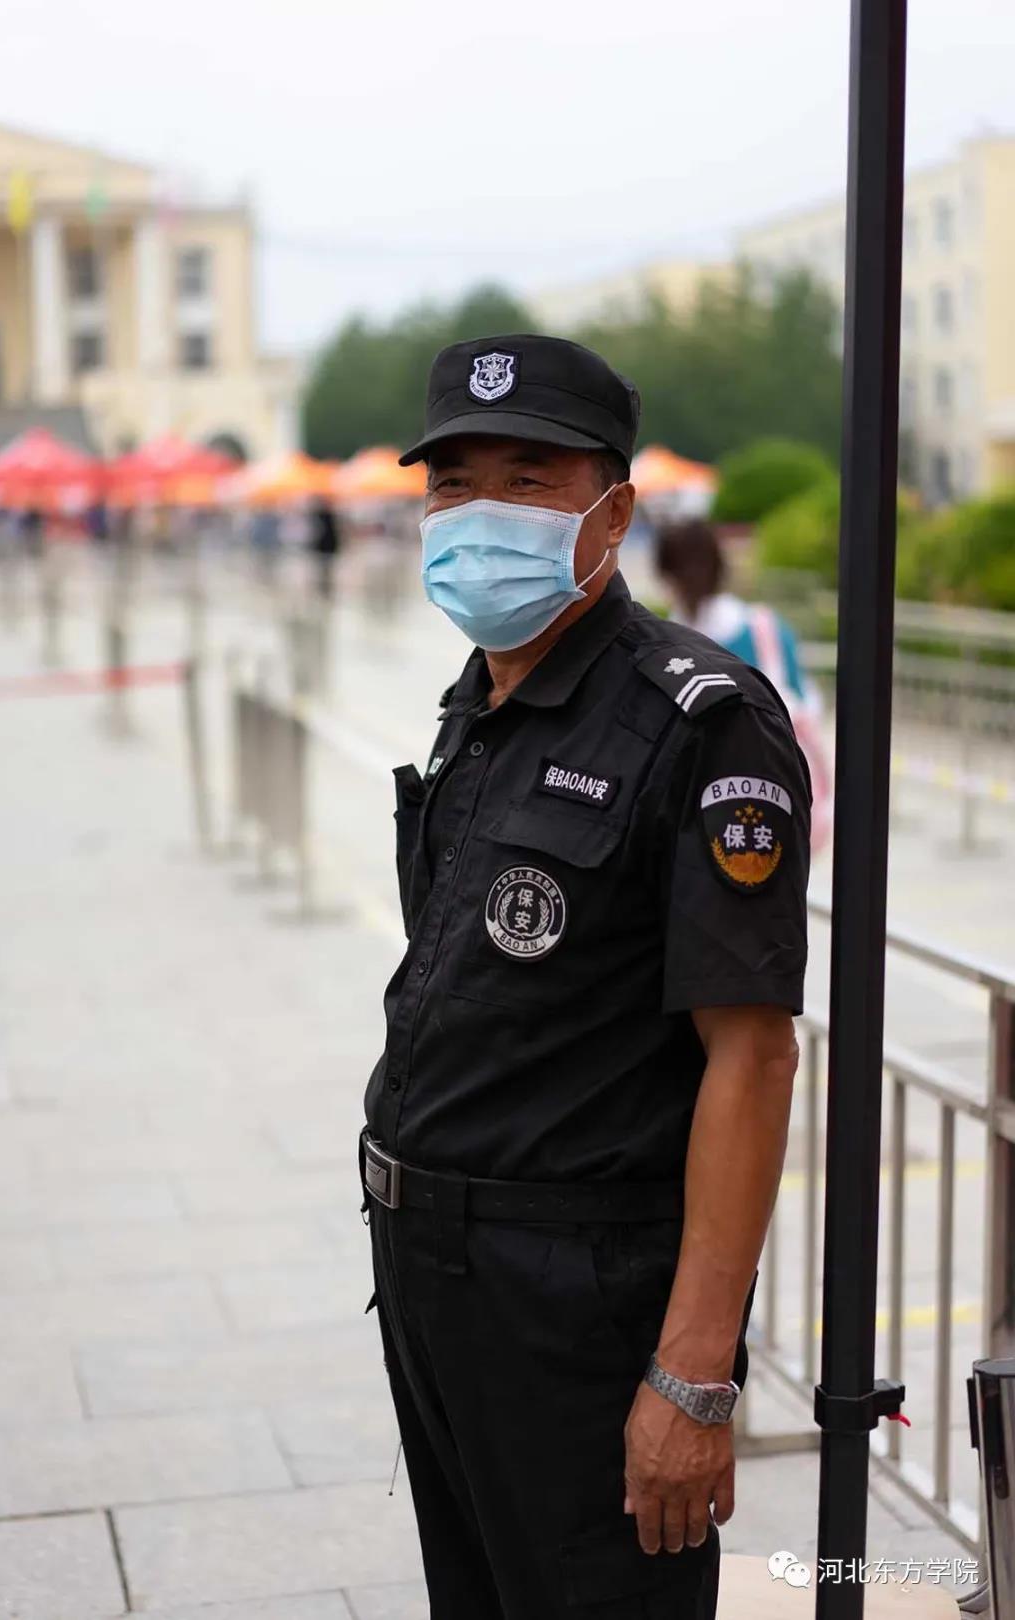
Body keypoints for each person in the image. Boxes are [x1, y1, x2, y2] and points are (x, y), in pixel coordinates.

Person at [360, 334, 811, 1620]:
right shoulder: (479, 703)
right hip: (433, 1273)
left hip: (577, 1297)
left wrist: (693, 1381)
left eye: (527, 477)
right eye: (453, 483)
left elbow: (753, 1055)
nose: (479, 512)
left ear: (611, 514)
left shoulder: (700, 722)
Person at [656, 520, 832, 852]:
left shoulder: (663, 649)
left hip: (692, 825)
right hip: (771, 808)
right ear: (721, 567)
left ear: (666, 575)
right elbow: (807, 705)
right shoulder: (766, 630)